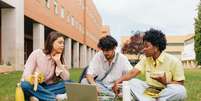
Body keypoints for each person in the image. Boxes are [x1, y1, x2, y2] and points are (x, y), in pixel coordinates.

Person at [113, 28, 187, 101]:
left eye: (146, 46)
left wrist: (165, 82)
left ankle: (152, 99)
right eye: (143, 46)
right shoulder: (146, 59)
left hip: (165, 90)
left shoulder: (174, 61)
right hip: (149, 89)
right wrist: (118, 82)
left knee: (181, 91)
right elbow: (133, 72)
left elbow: (180, 84)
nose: (143, 49)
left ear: (156, 47)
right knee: (131, 82)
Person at [21, 31, 70, 101]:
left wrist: (58, 62)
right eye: (60, 42)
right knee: (25, 85)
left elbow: (66, 78)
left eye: (63, 43)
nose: (62, 45)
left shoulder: (58, 58)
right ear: (51, 42)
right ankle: (54, 98)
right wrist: (34, 78)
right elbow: (25, 75)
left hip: (47, 88)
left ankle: (38, 97)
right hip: (34, 86)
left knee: (69, 83)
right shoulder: (37, 53)